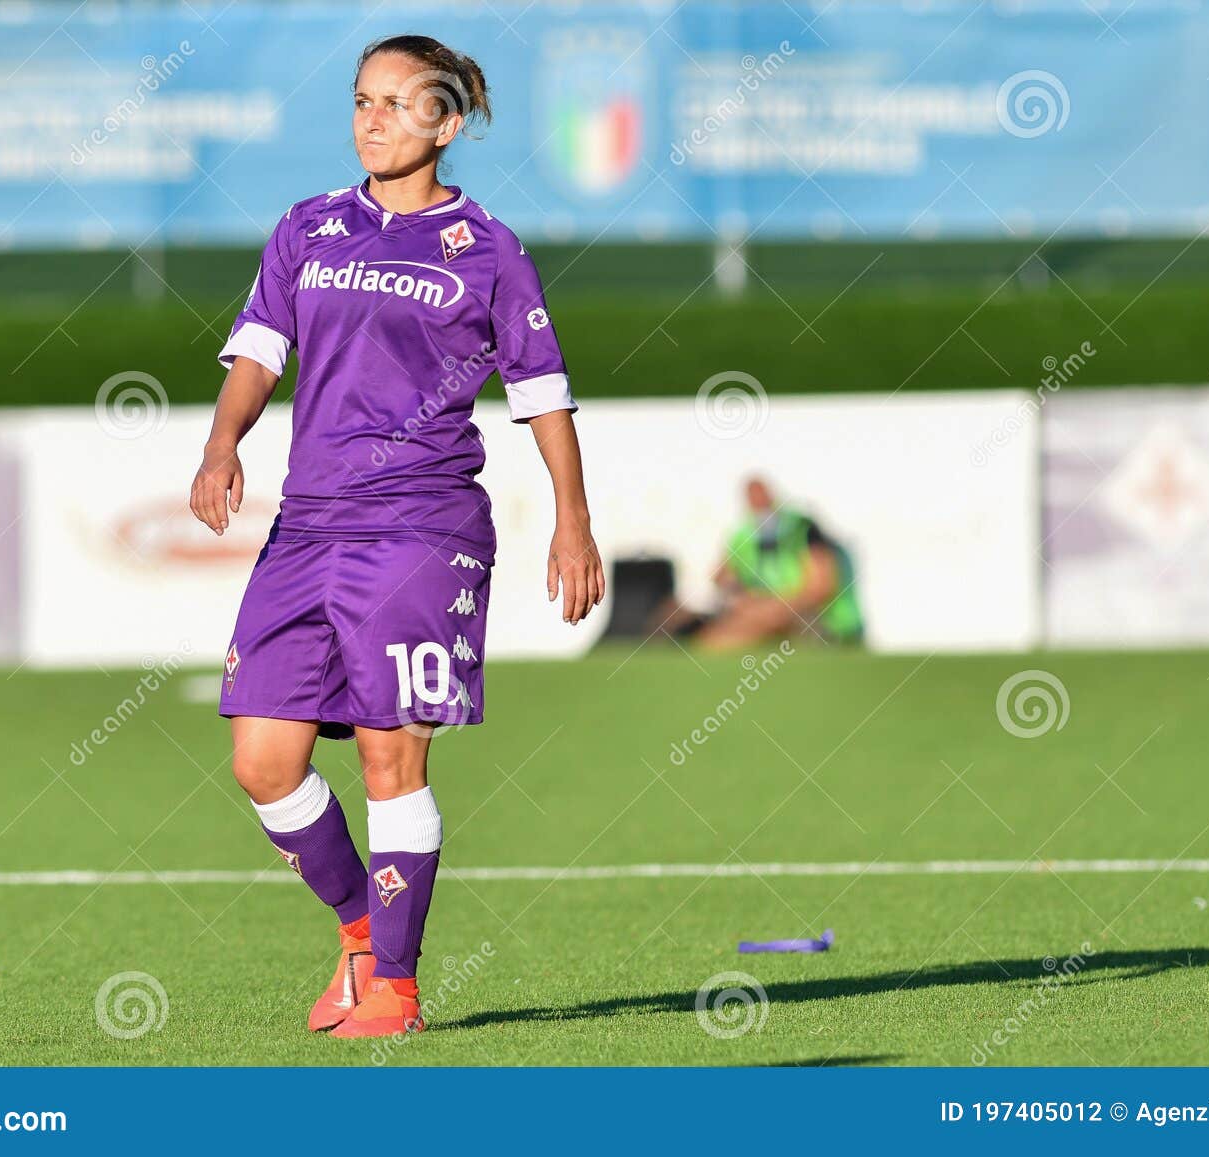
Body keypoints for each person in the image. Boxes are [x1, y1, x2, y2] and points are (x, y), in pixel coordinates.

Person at [188, 34, 604, 1039]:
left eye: (396, 104)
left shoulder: (488, 250)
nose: (372, 119)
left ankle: (398, 990)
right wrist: (219, 441)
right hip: (307, 523)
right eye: (362, 99)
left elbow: (540, 390)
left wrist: (573, 519)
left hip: (421, 525)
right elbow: (258, 348)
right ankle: (360, 936)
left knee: (389, 756)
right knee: (264, 762)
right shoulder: (308, 227)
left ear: (445, 125)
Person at [667, 477, 861, 650]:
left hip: (820, 623)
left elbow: (820, 588)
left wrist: (770, 607)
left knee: (739, 632)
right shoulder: (743, 534)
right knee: (702, 629)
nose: (760, 507)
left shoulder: (803, 529)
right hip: (763, 614)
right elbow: (721, 576)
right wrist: (740, 596)